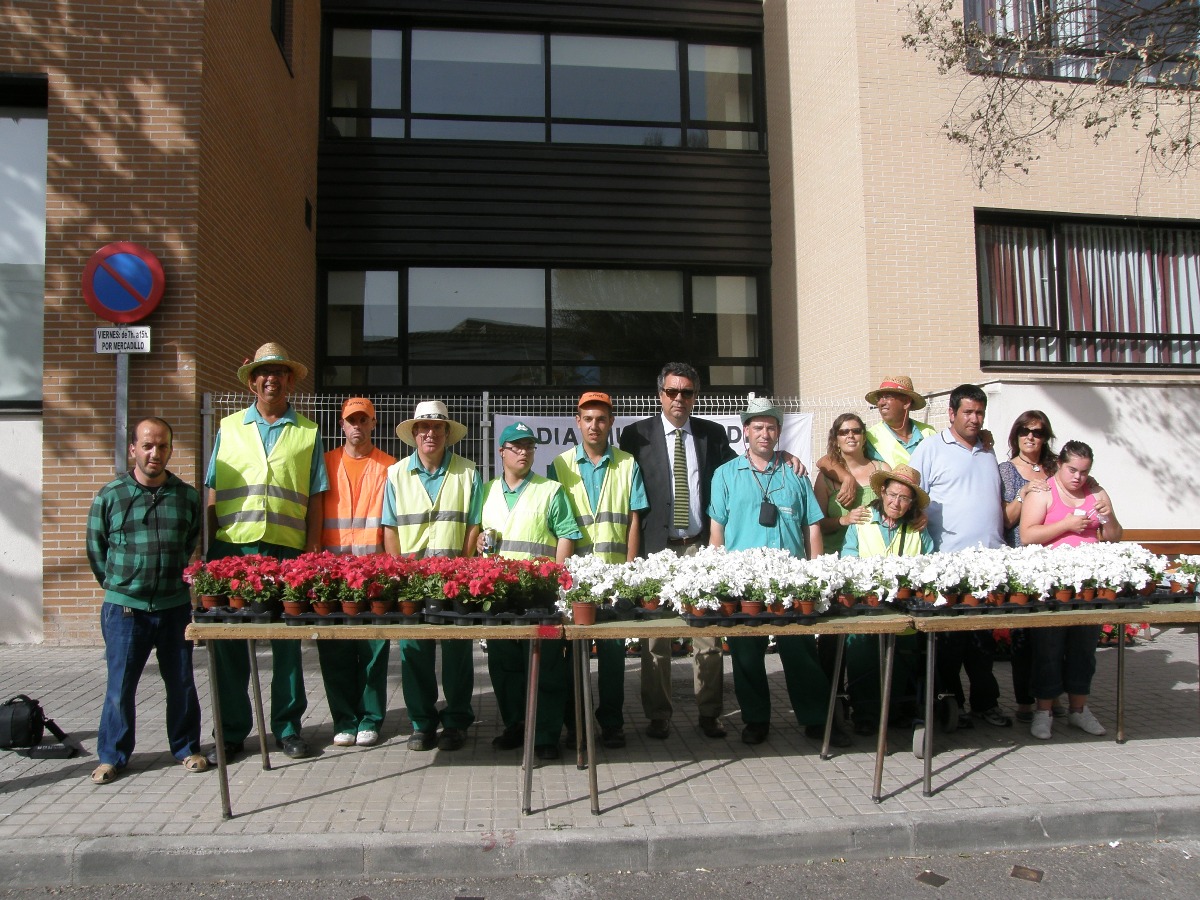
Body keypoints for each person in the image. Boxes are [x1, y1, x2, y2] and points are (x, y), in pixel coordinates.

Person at [205, 343, 329, 764]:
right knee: (230, 643)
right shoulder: (228, 427)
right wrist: (206, 551)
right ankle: (234, 730)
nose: (270, 378)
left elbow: (315, 498)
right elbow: (213, 489)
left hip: (287, 550)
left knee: (287, 643)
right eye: (263, 372)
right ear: (252, 380)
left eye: (278, 371)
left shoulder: (308, 432)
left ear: (290, 380)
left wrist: (311, 551)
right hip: (233, 548)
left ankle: (288, 729)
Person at [708, 398, 849, 746]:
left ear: (779, 433)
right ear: (746, 432)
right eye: (757, 427)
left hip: (792, 581)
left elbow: (812, 528)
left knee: (800, 652)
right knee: (745, 655)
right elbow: (717, 533)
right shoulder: (725, 475)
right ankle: (755, 720)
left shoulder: (795, 474)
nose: (765, 433)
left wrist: (817, 578)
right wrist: (717, 578)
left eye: (771, 427)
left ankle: (816, 719)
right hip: (743, 583)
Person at [617, 362, 736, 740]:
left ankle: (711, 712)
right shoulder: (636, 435)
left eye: (686, 392)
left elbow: (743, 471)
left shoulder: (712, 434)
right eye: (672, 391)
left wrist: (795, 459)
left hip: (699, 548)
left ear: (695, 396)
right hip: (656, 550)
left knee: (708, 636)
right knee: (656, 640)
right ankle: (657, 714)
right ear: (660, 394)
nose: (679, 399)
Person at [86, 417, 206, 785]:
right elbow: (96, 549)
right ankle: (113, 756)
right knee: (120, 685)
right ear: (133, 449)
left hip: (172, 607)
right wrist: (121, 584)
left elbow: (189, 543)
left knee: (182, 681)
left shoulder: (186, 496)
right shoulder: (111, 496)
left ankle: (186, 748)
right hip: (125, 610)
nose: (156, 453)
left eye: (163, 446)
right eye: (148, 446)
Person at [909, 383, 1011, 728]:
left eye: (979, 413)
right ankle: (949, 705)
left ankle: (986, 704)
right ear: (951, 413)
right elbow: (910, 494)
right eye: (967, 412)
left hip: (989, 564)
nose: (974, 418)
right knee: (948, 646)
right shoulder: (931, 449)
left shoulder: (987, 450)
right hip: (947, 564)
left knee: (983, 644)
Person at [383, 400, 482, 752]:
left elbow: (473, 525)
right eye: (424, 427)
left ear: (446, 433)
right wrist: (398, 571)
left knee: (457, 653)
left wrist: (465, 566)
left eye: (437, 427)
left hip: (455, 578)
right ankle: (422, 723)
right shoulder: (395, 474)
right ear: (413, 433)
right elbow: (390, 528)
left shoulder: (468, 471)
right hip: (411, 578)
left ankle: (456, 721)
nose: (430, 433)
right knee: (414, 652)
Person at [553, 391, 650, 750]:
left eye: (601, 419)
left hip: (613, 576)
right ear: (577, 422)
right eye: (588, 419)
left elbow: (634, 519)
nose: (594, 425)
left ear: (611, 423)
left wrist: (628, 572)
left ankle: (611, 723)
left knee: (612, 657)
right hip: (574, 578)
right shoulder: (559, 465)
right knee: (571, 656)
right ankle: (574, 722)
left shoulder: (627, 463)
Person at [480, 421, 581, 760]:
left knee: (547, 665)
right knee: (504, 664)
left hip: (540, 596)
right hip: (499, 596)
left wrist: (555, 578)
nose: (524, 452)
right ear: (502, 452)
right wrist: (481, 541)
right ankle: (516, 725)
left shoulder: (550, 490)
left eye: (529, 447)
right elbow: (481, 535)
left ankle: (546, 735)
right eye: (516, 446)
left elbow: (567, 535)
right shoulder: (487, 490)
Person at [1020, 441, 1123, 740]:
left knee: (1084, 648)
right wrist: (1066, 525)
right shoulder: (1044, 491)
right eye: (1073, 470)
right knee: (1048, 648)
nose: (1078, 477)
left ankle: (1079, 710)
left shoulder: (1096, 493)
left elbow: (1114, 536)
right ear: (1060, 465)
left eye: (1084, 471)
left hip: (1088, 587)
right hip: (1051, 586)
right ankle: (1043, 712)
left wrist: (1109, 518)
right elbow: (1027, 535)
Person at [317, 397, 396, 748]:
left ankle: (371, 719)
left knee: (374, 649)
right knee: (334, 649)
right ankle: (344, 720)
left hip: (373, 571)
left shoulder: (389, 466)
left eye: (364, 420)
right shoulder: (324, 463)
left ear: (373, 425)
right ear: (342, 424)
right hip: (332, 572)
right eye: (352, 420)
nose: (358, 426)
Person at [839, 465, 934, 734]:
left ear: (912, 502)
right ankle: (866, 715)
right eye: (893, 495)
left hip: (906, 611)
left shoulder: (918, 528)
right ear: (882, 492)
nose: (897, 502)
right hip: (865, 608)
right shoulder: (863, 521)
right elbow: (848, 556)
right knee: (862, 659)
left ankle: (897, 712)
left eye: (905, 498)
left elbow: (931, 563)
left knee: (904, 659)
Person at [997, 411, 1056, 724]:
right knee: (1023, 635)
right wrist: (1023, 494)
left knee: (1053, 634)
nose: (1031, 437)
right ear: (1015, 435)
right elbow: (1005, 519)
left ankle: (1051, 696)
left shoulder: (1057, 469)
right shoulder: (1005, 471)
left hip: (1054, 558)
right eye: (1024, 431)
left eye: (1037, 432)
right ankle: (1023, 701)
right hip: (1021, 557)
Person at [819, 376, 934, 508]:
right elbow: (825, 461)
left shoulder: (929, 433)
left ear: (906, 402)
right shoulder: (870, 436)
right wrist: (847, 477)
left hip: (930, 511)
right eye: (879, 398)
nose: (881, 402)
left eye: (887, 396)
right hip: (896, 511)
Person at [814, 412, 889, 555]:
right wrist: (844, 520)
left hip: (874, 556)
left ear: (864, 437)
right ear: (836, 440)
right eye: (843, 432)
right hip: (835, 556)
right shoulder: (825, 478)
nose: (850, 435)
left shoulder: (882, 470)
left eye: (856, 431)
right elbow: (817, 524)